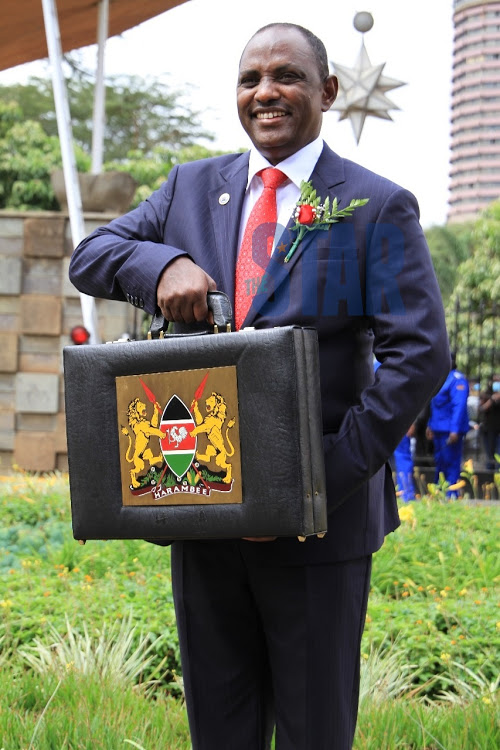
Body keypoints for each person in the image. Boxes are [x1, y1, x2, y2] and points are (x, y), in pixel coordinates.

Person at [69, 23, 450, 750]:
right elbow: (93, 254)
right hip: (202, 511)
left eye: (287, 76)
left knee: (313, 730)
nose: (266, 92)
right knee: (219, 727)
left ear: (327, 91)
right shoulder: (189, 188)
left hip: (321, 524)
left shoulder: (375, 205)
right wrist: (164, 265)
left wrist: (315, 482)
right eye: (250, 79)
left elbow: (420, 356)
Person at [426, 354, 470, 491]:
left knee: (451, 463)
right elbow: (435, 404)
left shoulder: (457, 380)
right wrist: (430, 425)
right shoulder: (441, 378)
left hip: (449, 431)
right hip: (438, 428)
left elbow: (459, 406)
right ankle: (440, 493)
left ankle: (451, 494)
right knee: (440, 463)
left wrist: (454, 430)